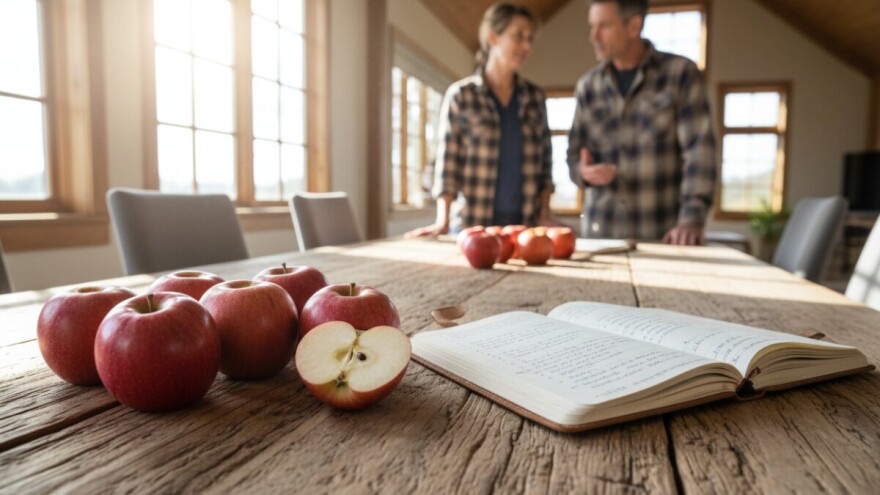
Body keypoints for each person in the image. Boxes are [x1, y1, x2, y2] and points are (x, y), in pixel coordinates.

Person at [567, 0, 716, 245]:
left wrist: (691, 219)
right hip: (600, 237)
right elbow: (573, 154)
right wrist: (582, 173)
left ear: (634, 26)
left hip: (663, 236)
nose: (594, 36)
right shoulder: (588, 86)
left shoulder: (680, 74)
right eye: (592, 26)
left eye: (603, 26)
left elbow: (700, 152)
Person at [406, 3, 555, 237]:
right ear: (493, 37)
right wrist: (442, 220)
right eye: (518, 36)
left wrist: (544, 214)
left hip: (524, 229)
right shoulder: (461, 95)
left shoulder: (534, 98)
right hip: (471, 227)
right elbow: (448, 164)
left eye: (530, 39)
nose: (527, 46)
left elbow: (545, 165)